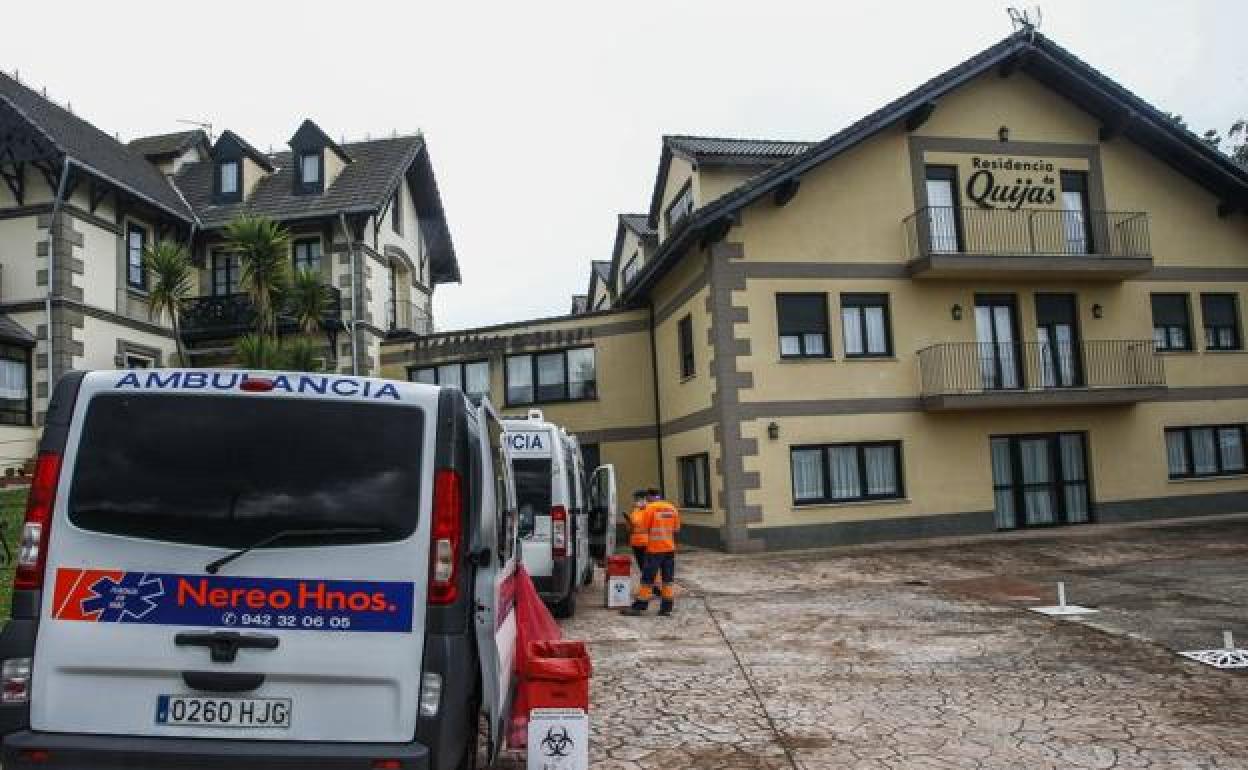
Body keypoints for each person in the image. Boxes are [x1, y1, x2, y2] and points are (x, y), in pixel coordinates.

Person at [621, 487, 681, 617]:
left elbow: (643, 527)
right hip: (669, 550)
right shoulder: (672, 508)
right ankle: (666, 608)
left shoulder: (650, 508)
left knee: (647, 578)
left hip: (654, 549)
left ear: (649, 497)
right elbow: (676, 530)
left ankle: (640, 606)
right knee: (667, 580)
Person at [626, 489, 661, 596]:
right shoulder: (635, 510)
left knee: (650, 567)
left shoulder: (650, 509)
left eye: (638, 498)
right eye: (636, 499)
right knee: (642, 567)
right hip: (636, 543)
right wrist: (629, 522)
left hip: (647, 543)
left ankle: (656, 588)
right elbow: (631, 528)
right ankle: (650, 587)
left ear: (645, 498)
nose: (636, 500)